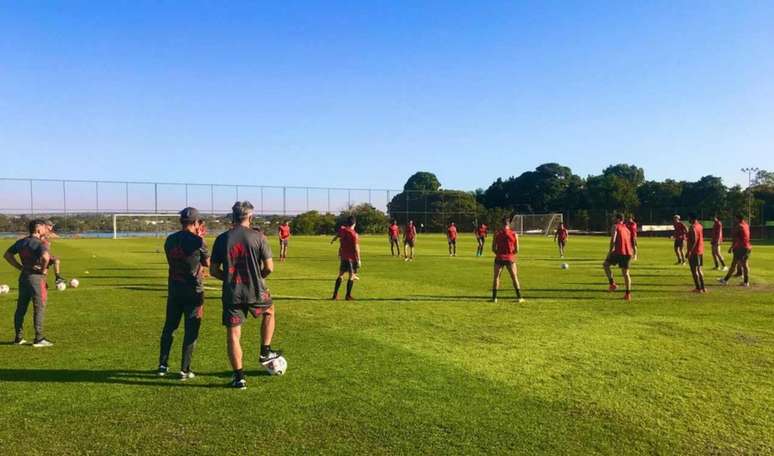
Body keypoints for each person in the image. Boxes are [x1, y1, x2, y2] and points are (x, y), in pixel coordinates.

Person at [210, 201, 280, 389]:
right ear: (251, 217)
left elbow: (213, 270)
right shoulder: (259, 237)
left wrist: (230, 278)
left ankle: (239, 378)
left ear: (233, 217)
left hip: (232, 293)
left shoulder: (222, 239)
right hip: (256, 290)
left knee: (234, 335)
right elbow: (269, 268)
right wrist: (258, 278)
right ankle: (265, 351)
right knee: (270, 310)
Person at [158, 207, 210, 380]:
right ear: (196, 223)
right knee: (191, 331)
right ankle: (185, 369)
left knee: (169, 328)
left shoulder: (170, 240)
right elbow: (207, 263)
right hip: (194, 292)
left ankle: (162, 365)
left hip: (174, 289)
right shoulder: (198, 241)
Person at [3, 219, 53, 347]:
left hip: (23, 277)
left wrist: (20, 267)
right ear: (38, 229)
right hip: (35, 279)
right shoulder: (41, 243)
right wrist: (43, 270)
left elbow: (7, 255)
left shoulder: (21, 242)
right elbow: (45, 257)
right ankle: (39, 338)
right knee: (39, 307)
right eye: (43, 227)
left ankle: (18, 338)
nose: (46, 229)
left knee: (21, 308)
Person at [491, 217, 524, 303]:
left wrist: (499, 253)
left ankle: (494, 298)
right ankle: (519, 297)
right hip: (510, 258)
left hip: (499, 258)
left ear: (502, 224)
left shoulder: (497, 233)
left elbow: (493, 248)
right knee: (514, 277)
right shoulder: (514, 234)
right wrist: (511, 254)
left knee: (496, 277)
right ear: (509, 224)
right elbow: (517, 249)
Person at [603, 213, 634, 301]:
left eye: (614, 217)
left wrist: (610, 251)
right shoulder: (627, 229)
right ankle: (628, 294)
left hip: (619, 251)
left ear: (618, 219)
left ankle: (612, 284)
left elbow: (613, 239)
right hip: (628, 252)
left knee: (606, 265)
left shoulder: (615, 226)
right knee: (626, 274)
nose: (613, 219)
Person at [331, 216, 361, 300]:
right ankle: (348, 295)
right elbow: (356, 248)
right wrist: (358, 259)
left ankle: (335, 295)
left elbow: (338, 235)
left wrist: (334, 239)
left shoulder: (343, 230)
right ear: (354, 223)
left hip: (343, 256)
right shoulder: (354, 234)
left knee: (340, 275)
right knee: (351, 276)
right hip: (351, 258)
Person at [719, 213, 752, 287]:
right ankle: (745, 282)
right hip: (748, 247)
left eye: (735, 218)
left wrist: (731, 247)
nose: (734, 220)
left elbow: (735, 238)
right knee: (744, 265)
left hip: (740, 248)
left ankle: (725, 280)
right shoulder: (746, 225)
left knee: (734, 265)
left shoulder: (739, 226)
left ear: (738, 218)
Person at [42, 220, 67, 286]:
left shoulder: (49, 234)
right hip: (41, 256)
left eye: (52, 226)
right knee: (44, 271)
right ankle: (43, 283)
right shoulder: (41, 234)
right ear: (45, 226)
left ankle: (57, 277)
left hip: (47, 255)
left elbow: (55, 236)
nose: (51, 227)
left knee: (56, 260)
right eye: (50, 226)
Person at [686, 213, 706, 293]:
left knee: (694, 270)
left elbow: (694, 240)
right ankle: (703, 287)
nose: (688, 220)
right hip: (700, 250)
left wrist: (689, 251)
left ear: (692, 219)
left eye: (689, 219)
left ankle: (698, 288)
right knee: (699, 269)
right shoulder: (700, 226)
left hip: (694, 251)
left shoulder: (692, 227)